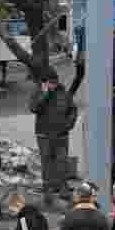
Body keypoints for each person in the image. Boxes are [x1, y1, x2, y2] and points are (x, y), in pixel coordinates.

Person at [30, 68, 79, 206]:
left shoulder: (64, 93)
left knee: (62, 161)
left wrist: (68, 124)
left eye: (55, 82)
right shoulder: (38, 92)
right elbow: (34, 108)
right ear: (44, 83)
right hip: (44, 134)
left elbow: (73, 110)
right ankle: (48, 191)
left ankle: (63, 189)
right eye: (50, 82)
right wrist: (45, 94)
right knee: (47, 162)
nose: (53, 85)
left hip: (61, 134)